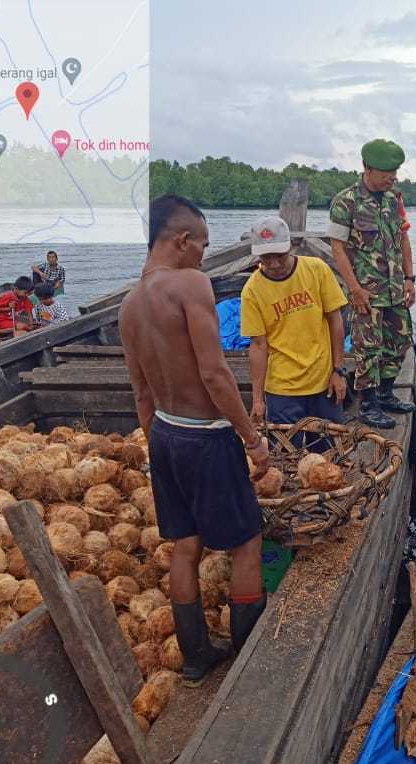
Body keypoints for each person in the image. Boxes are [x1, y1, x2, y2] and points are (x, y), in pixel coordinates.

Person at [119, 195, 272, 687]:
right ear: (181, 240)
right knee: (247, 542)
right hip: (205, 436)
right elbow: (214, 373)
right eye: (203, 244)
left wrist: (161, 447)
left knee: (186, 545)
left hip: (164, 431)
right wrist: (251, 440)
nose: (205, 255)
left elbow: (141, 391)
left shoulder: (128, 304)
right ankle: (250, 660)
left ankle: (196, 657)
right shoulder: (189, 283)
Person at [327, 138, 416, 430]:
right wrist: (354, 288)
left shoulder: (394, 199)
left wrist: (410, 278)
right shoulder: (346, 202)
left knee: (400, 340)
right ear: (367, 167)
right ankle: (368, 404)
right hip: (366, 291)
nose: (392, 177)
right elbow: (337, 247)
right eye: (386, 171)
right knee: (368, 348)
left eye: (395, 172)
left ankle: (386, 394)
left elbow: (403, 237)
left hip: (395, 289)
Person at [240, 215, 349, 443]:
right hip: (282, 388)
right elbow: (258, 346)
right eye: (266, 257)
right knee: (286, 455)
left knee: (328, 451)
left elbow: (335, 320)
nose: (274, 264)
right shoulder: (252, 290)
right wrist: (258, 399)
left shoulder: (316, 269)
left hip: (323, 381)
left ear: (290, 245)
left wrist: (339, 370)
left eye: (279, 255)